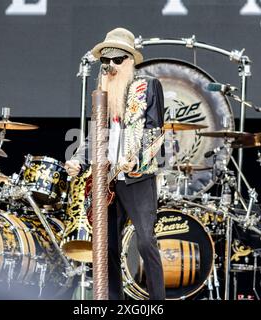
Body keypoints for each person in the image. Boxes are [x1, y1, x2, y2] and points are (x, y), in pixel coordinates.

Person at [64, 27, 166, 300]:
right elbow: (95, 136)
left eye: (117, 60)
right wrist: (77, 160)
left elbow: (155, 131)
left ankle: (158, 301)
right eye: (105, 61)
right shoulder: (103, 92)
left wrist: (139, 158)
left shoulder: (147, 87)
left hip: (137, 177)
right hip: (107, 179)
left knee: (145, 240)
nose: (110, 67)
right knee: (106, 245)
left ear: (130, 61)